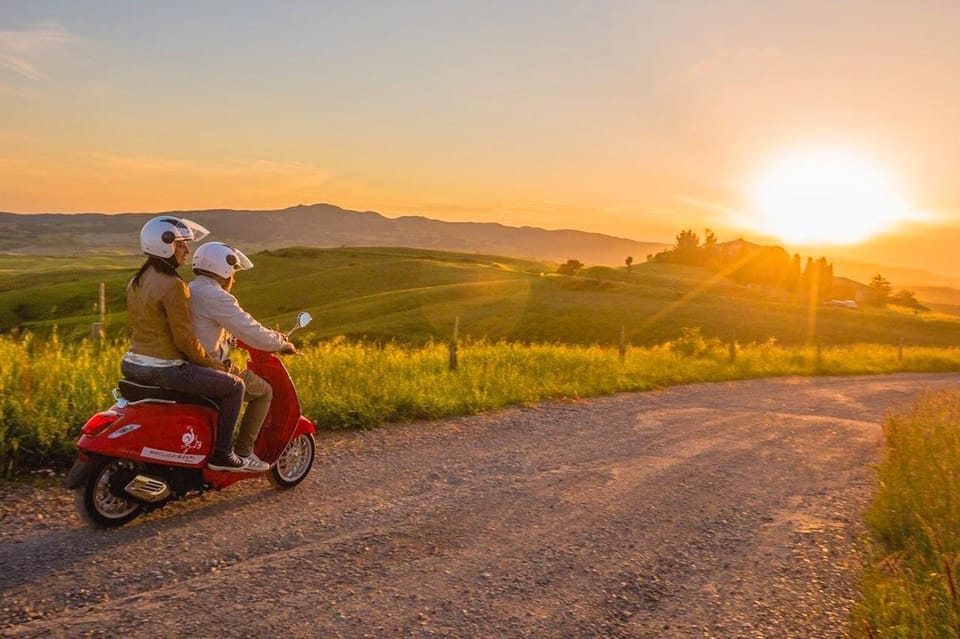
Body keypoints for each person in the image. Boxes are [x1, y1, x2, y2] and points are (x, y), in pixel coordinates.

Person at [120, 216, 249, 472]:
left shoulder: (136, 281)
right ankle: (222, 454)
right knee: (235, 387)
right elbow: (185, 340)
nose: (187, 251)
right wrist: (215, 365)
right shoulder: (175, 286)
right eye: (181, 245)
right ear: (165, 245)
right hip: (164, 368)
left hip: (131, 363)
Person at [189, 241, 296, 472]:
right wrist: (281, 343)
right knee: (264, 392)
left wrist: (230, 340)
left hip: (189, 364)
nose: (234, 279)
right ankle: (243, 454)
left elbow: (206, 328)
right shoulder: (217, 297)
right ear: (224, 270)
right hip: (210, 367)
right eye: (234, 272)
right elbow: (251, 329)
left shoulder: (190, 290)